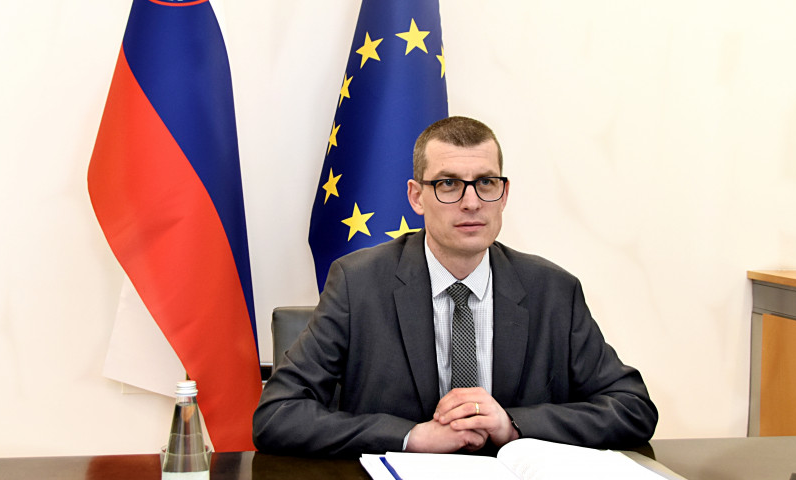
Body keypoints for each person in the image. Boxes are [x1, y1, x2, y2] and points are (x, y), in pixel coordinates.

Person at [253, 116, 657, 456]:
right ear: (416, 197)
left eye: (486, 183)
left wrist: (513, 424)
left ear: (503, 194)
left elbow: (633, 408)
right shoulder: (358, 284)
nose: (471, 202)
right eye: (448, 184)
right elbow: (277, 415)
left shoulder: (553, 290)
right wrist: (412, 436)